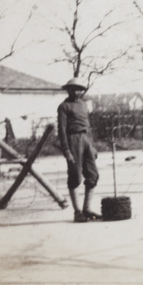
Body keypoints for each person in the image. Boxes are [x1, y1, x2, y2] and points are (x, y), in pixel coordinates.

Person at [57, 78, 101, 222]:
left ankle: (86, 209)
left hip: (86, 139)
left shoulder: (83, 105)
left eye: (79, 89)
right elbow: (62, 130)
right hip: (73, 140)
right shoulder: (64, 106)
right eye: (73, 89)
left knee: (93, 174)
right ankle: (77, 212)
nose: (77, 91)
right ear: (68, 90)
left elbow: (88, 127)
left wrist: (92, 146)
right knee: (75, 175)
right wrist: (67, 151)